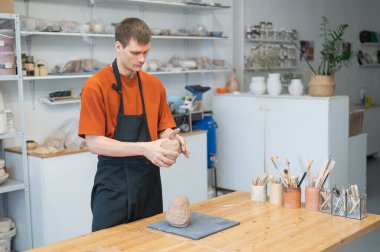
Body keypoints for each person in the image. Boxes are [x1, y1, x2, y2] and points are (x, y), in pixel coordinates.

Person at [78, 17, 190, 232]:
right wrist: (144, 148)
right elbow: (93, 143)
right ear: (118, 47)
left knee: (150, 244)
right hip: (113, 187)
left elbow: (163, 130)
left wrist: (173, 138)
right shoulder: (96, 86)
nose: (142, 59)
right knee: (107, 245)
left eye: (146, 52)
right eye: (135, 53)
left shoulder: (154, 85)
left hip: (149, 185)